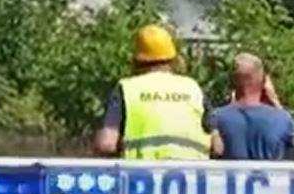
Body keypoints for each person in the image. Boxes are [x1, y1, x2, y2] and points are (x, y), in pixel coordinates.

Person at [93, 25, 217, 161]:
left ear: (136, 60)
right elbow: (218, 146)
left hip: (143, 177)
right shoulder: (193, 88)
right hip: (192, 176)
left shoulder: (127, 88)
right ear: (174, 59)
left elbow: (106, 144)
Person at [207, 53, 294, 161]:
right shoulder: (282, 119)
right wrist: (274, 99)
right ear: (264, 82)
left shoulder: (216, 117)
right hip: (269, 177)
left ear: (232, 82)